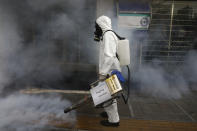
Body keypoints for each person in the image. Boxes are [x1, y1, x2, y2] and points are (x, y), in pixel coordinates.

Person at [94, 15, 121, 127]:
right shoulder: (108, 34)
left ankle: (113, 121)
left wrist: (103, 73)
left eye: (97, 26)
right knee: (110, 94)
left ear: (102, 25)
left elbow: (109, 57)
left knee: (106, 95)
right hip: (111, 71)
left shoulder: (108, 35)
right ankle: (110, 113)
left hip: (109, 72)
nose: (96, 29)